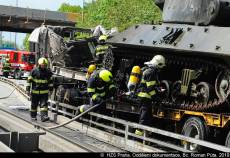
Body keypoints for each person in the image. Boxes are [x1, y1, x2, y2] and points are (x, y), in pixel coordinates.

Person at [135, 55, 166, 136]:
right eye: (160, 66)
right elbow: (150, 89)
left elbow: (151, 86)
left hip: (145, 96)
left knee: (148, 116)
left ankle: (144, 134)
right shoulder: (151, 72)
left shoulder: (148, 70)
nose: (160, 69)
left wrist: (158, 89)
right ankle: (138, 135)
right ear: (157, 64)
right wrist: (157, 98)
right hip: (145, 97)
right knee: (144, 117)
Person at [26, 57, 53, 122]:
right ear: (39, 64)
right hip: (35, 92)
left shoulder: (48, 72)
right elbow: (29, 82)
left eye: (44, 65)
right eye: (42, 64)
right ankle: (33, 117)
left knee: (44, 106)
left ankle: (44, 117)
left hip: (44, 93)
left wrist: (51, 90)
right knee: (34, 105)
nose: (43, 66)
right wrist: (27, 90)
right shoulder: (34, 71)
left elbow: (51, 82)